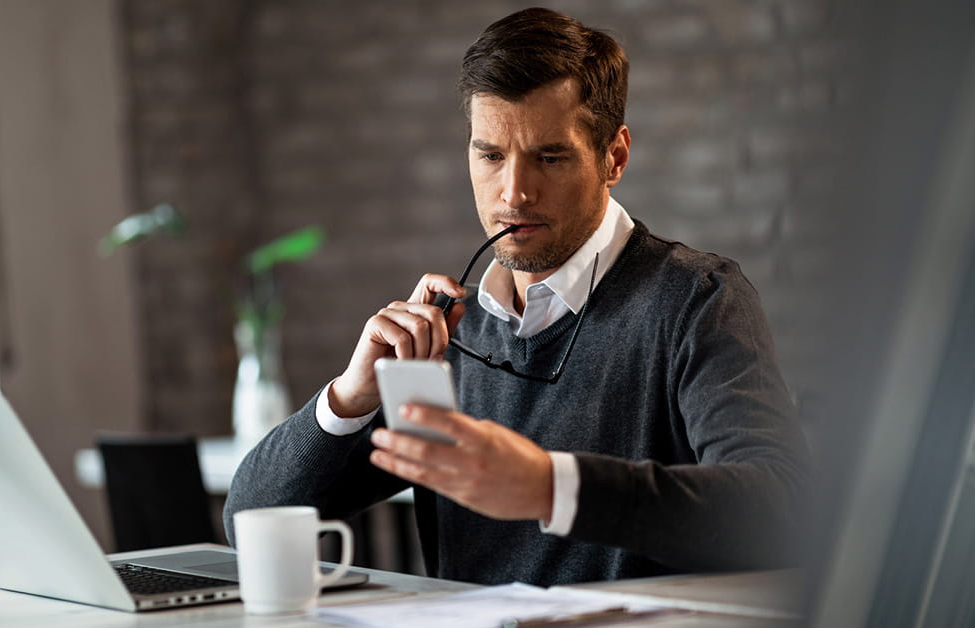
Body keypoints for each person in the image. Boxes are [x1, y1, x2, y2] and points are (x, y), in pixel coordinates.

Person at [225, 7, 810, 586]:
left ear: (615, 157)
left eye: (549, 157)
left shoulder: (696, 300)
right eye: (490, 155)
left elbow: (777, 509)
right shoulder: (450, 333)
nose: (514, 192)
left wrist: (549, 486)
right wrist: (350, 398)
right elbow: (248, 520)